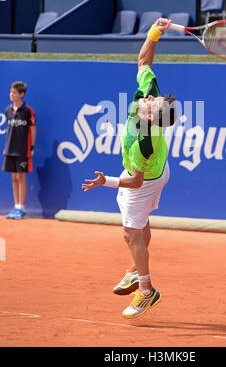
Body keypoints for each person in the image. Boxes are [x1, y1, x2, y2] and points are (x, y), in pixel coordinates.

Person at [81, 17, 177, 319]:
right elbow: (143, 61)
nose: (149, 97)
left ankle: (147, 291)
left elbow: (134, 182)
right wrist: (155, 32)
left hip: (145, 179)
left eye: (152, 102)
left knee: (130, 233)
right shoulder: (148, 98)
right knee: (138, 220)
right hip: (155, 173)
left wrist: (105, 181)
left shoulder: (142, 145)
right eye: (153, 96)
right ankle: (137, 269)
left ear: (151, 117)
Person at [2, 81, 37, 219]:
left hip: (23, 150)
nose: (11, 94)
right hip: (9, 149)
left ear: (21, 94)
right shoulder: (8, 110)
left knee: (21, 177)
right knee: (13, 178)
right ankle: (16, 207)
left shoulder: (28, 111)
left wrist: (31, 147)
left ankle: (21, 208)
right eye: (11, 92)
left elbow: (33, 131)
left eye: (14, 93)